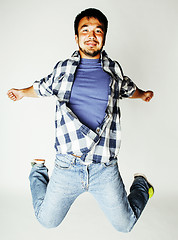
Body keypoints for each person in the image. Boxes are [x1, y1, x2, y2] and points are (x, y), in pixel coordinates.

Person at [7, 8, 154, 233]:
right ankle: (38, 170)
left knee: (125, 225)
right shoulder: (63, 68)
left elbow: (127, 88)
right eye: (85, 31)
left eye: (98, 31)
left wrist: (142, 94)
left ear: (104, 37)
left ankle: (142, 184)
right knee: (47, 221)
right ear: (76, 37)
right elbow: (43, 87)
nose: (91, 36)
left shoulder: (113, 69)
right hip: (68, 165)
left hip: (104, 167)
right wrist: (22, 92)